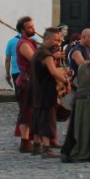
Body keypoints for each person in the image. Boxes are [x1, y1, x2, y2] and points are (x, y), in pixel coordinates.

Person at [30, 27, 67, 158]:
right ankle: (46, 149)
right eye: (55, 40)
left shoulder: (38, 52)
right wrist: (65, 80)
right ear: (47, 39)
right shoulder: (46, 54)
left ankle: (36, 145)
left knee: (38, 118)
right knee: (47, 119)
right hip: (46, 91)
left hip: (38, 90)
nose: (58, 43)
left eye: (59, 40)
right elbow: (53, 72)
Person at [13, 16, 38, 152]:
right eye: (29, 27)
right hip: (26, 81)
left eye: (33, 27)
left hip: (32, 80)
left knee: (32, 111)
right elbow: (34, 59)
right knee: (26, 111)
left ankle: (32, 139)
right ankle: (25, 141)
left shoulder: (30, 42)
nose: (33, 29)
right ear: (22, 30)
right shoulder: (23, 43)